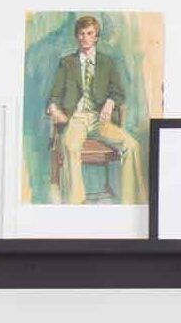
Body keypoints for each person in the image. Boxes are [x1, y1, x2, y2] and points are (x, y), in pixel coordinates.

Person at [45, 16, 144, 205]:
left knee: (131, 145)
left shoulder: (107, 63)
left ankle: (131, 204)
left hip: (101, 119)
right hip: (76, 118)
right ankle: (75, 204)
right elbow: (54, 96)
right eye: (81, 34)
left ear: (96, 37)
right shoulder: (67, 63)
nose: (85, 38)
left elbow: (119, 93)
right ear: (77, 37)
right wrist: (54, 109)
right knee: (70, 146)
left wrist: (110, 102)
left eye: (89, 33)